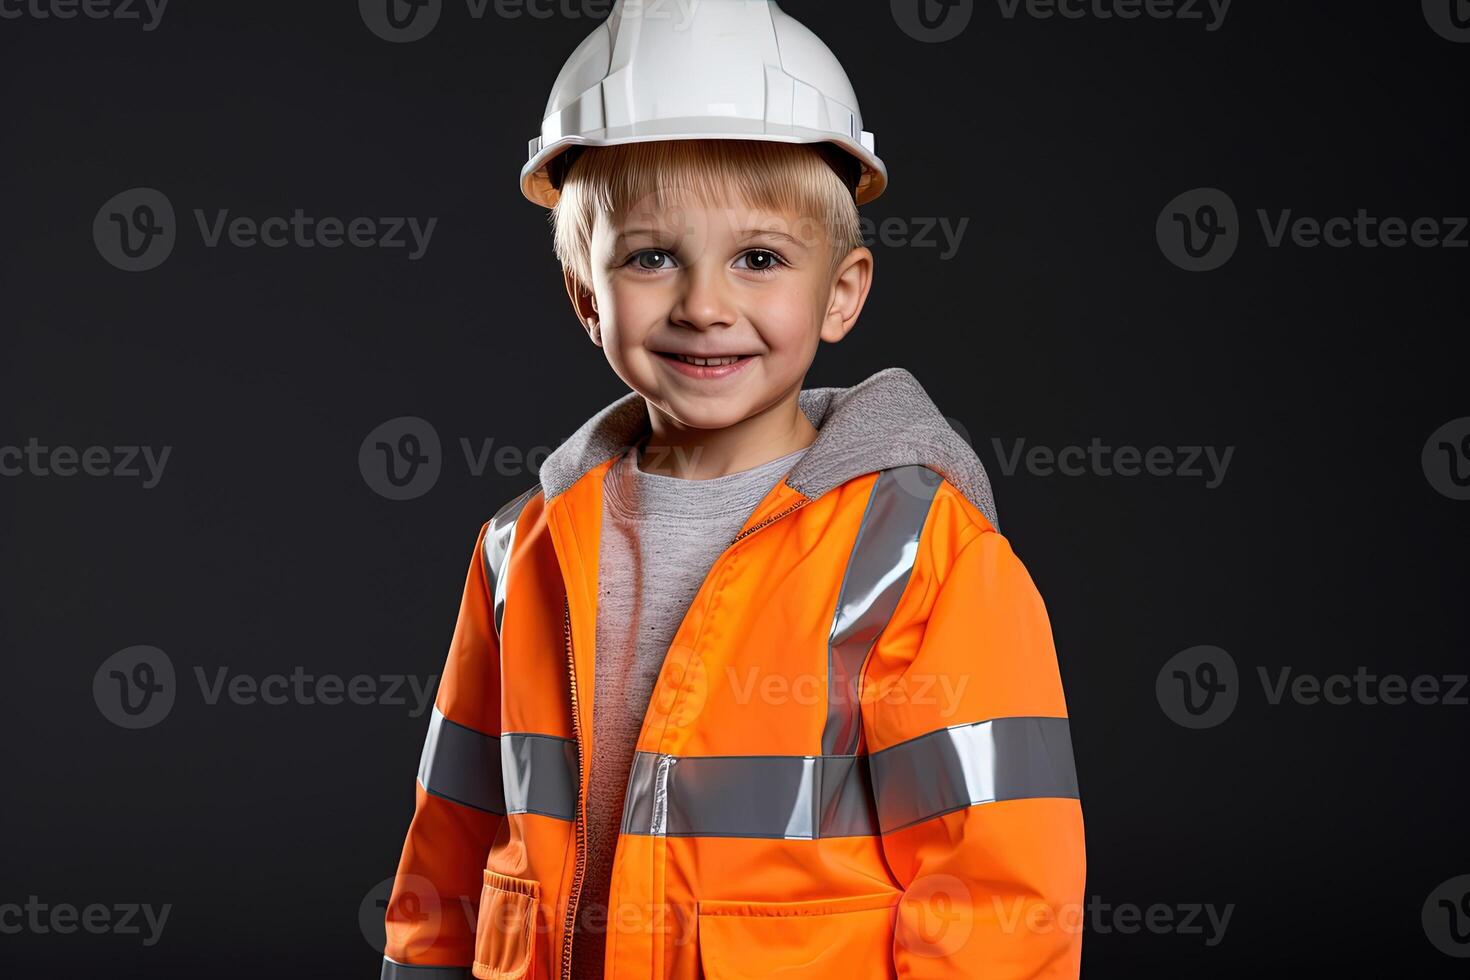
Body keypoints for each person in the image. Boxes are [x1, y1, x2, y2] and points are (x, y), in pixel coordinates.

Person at [380, 3, 1084, 978]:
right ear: (588, 295)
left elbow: (1002, 892)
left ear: (841, 292)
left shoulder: (918, 551)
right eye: (650, 256)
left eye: (759, 259)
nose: (705, 305)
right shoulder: (521, 548)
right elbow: (448, 860)